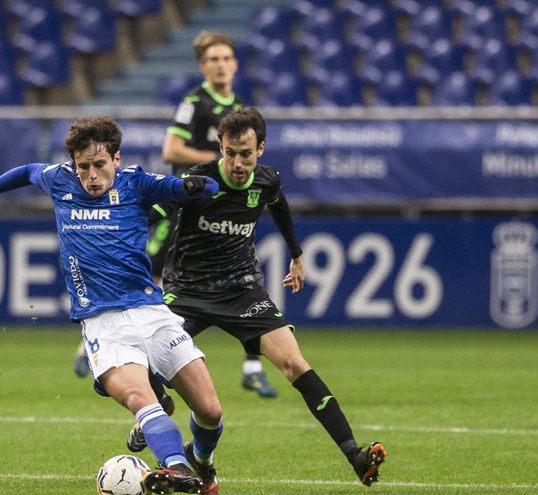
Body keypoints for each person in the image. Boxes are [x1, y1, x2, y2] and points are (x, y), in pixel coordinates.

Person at [127, 108, 388, 487]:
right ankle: (153, 412)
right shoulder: (197, 181)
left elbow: (279, 205)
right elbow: (151, 214)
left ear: (260, 149)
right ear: (220, 147)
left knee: (295, 363)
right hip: (186, 292)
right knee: (144, 364)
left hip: (242, 291)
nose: (236, 162)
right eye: (229, 152)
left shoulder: (265, 182)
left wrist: (296, 255)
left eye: (245, 154)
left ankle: (355, 454)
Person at [0, 116, 224, 495]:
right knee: (141, 397)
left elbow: (195, 187)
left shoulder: (137, 183)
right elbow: (26, 171)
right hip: (103, 323)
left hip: (153, 313)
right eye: (82, 166)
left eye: (99, 164)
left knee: (211, 411)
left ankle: (199, 462)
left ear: (116, 159)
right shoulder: (59, 180)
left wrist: (198, 185)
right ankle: (176, 467)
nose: (91, 175)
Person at [77, 30, 280, 400]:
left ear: (235, 64)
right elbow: (171, 148)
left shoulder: (238, 107)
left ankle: (251, 366)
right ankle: (109, 337)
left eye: (226, 59)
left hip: (222, 203)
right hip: (185, 202)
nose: (220, 65)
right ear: (204, 66)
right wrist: (212, 166)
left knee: (245, 273)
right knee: (154, 270)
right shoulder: (194, 103)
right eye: (213, 60)